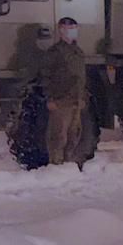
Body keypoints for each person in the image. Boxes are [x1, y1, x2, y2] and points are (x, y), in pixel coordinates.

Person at [43, 16, 87, 168]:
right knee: (58, 135)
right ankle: (56, 165)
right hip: (61, 100)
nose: (72, 32)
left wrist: (82, 97)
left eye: (74, 28)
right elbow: (46, 76)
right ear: (61, 31)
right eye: (69, 29)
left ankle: (68, 164)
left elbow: (81, 76)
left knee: (74, 134)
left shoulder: (78, 51)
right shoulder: (54, 52)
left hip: (76, 100)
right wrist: (50, 98)